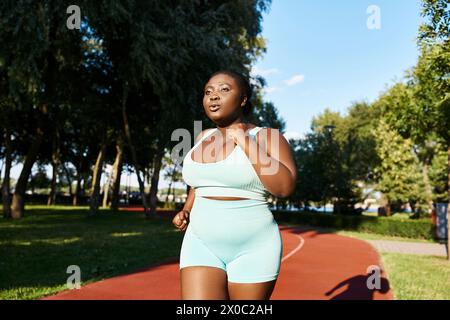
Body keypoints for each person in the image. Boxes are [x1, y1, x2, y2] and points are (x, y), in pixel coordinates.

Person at [172, 70, 297, 300]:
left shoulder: (267, 136)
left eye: (224, 89)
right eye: (208, 92)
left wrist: (243, 140)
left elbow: (284, 188)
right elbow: (199, 183)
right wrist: (187, 209)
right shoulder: (202, 137)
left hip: (254, 246)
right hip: (200, 241)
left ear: (243, 98)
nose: (214, 96)